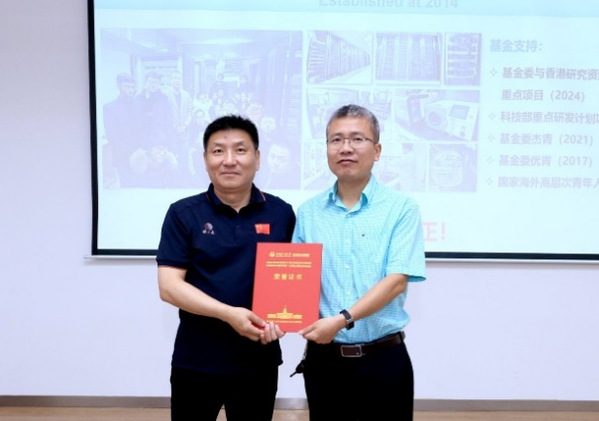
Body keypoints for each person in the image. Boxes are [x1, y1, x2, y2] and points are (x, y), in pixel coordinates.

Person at [156, 115, 296, 421]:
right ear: (205, 159)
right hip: (196, 360)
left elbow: (291, 281)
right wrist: (229, 314)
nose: (229, 160)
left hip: (258, 360)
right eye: (218, 150)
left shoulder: (281, 213)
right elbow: (169, 287)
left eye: (240, 150)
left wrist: (285, 317)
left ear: (257, 158)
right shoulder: (183, 213)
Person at [292, 104, 426, 420]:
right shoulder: (309, 213)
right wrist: (277, 316)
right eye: (336, 140)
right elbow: (297, 280)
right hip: (325, 362)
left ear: (377, 151)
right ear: (326, 149)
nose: (346, 148)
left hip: (384, 360)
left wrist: (342, 319)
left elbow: (396, 281)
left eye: (357, 139)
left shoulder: (401, 209)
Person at [102, 72, 140, 187]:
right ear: (119, 86)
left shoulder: (139, 105)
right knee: (127, 186)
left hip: (139, 153)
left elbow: (143, 129)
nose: (130, 90)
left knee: (141, 186)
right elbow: (111, 135)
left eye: (132, 87)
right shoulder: (110, 108)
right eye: (127, 86)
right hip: (122, 155)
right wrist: (126, 151)